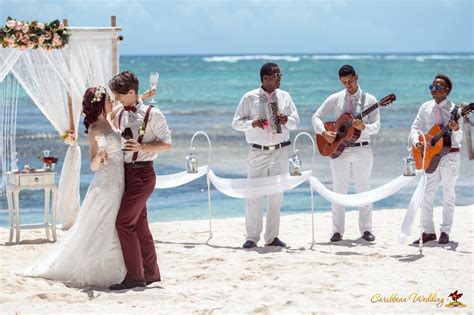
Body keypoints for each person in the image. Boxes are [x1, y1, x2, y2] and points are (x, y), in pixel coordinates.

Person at [19, 86, 127, 287]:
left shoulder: (112, 121)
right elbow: (93, 165)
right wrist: (101, 157)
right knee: (103, 223)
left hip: (120, 179)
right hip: (106, 183)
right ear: (100, 104)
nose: (112, 102)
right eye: (109, 100)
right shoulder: (95, 128)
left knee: (115, 222)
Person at [108, 71, 172, 290]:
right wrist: (140, 97)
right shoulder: (122, 111)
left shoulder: (154, 114)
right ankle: (151, 273)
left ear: (131, 92)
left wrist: (142, 147)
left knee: (123, 223)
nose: (117, 99)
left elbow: (167, 143)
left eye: (120, 95)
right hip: (125, 174)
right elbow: (110, 116)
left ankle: (135, 276)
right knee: (140, 225)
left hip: (143, 175)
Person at [232, 63, 299, 249]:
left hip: (280, 151)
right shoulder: (249, 97)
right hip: (258, 151)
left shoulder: (285, 96)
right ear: (265, 78)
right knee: (254, 195)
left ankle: (272, 237)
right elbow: (236, 122)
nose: (280, 78)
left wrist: (286, 120)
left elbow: (295, 121)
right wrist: (252, 123)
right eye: (277, 75)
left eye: (280, 75)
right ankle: (252, 237)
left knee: (277, 195)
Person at [312, 64, 380, 243]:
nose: (348, 85)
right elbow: (315, 117)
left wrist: (364, 127)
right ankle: (337, 231)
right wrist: (324, 132)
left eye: (350, 81)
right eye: (344, 82)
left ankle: (366, 230)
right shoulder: (335, 98)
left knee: (363, 190)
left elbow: (377, 127)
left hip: (363, 149)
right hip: (339, 150)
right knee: (338, 191)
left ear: (356, 77)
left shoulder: (370, 100)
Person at [411, 74, 462, 245]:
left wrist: (455, 129)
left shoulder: (456, 110)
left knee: (448, 194)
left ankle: (445, 231)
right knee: (427, 193)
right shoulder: (425, 107)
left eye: (437, 87)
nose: (433, 90)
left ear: (446, 90)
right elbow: (415, 128)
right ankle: (428, 232)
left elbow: (459, 138)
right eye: (431, 87)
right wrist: (416, 141)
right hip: (431, 156)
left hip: (451, 156)